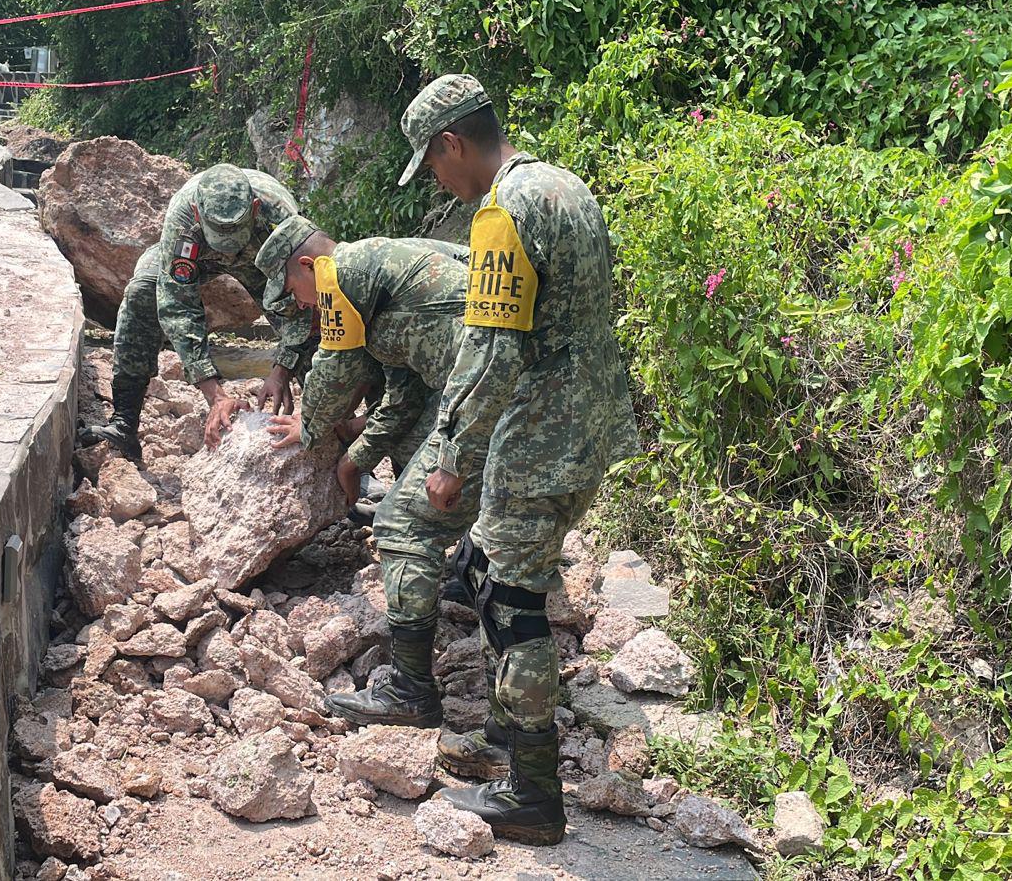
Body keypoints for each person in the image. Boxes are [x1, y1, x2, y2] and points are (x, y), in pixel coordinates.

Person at [396, 74, 637, 845]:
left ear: (452, 144)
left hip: (540, 433)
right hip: (593, 422)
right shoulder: (565, 186)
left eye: (431, 165)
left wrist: (451, 455)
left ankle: (532, 794)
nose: (437, 179)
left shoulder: (501, 214)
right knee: (481, 566)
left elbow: (493, 352)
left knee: (510, 599)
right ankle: (506, 739)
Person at [253, 220, 479, 730]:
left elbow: (335, 369)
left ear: (308, 267)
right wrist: (356, 451)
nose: (304, 306)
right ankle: (469, 575)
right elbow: (406, 393)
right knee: (418, 478)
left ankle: (410, 692)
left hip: (487, 392)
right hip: (488, 385)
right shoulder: (383, 271)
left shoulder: (341, 275)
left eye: (295, 292)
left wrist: (308, 426)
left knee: (399, 525)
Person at [80, 164, 317, 459]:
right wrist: (215, 395)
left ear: (255, 208)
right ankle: (124, 423)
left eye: (234, 235)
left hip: (261, 257)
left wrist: (282, 369)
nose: (228, 251)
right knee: (143, 291)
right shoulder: (182, 218)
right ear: (196, 213)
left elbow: (303, 307)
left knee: (315, 324)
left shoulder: (280, 216)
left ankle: (334, 438)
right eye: (221, 236)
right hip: (197, 253)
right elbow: (177, 305)